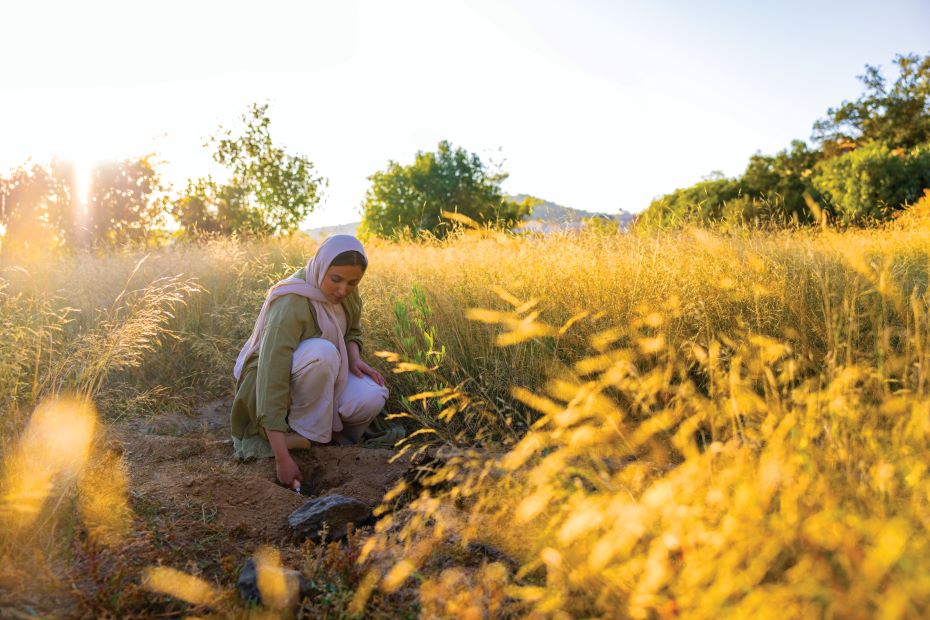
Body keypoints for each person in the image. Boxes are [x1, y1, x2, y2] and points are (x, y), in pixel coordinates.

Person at [229, 235, 388, 489]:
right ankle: (300, 435)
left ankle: (327, 435)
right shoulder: (292, 301)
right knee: (322, 352)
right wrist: (282, 458)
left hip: (326, 373)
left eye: (352, 282)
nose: (342, 290)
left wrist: (355, 358)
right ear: (322, 266)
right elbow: (272, 376)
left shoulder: (348, 294)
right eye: (335, 279)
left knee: (373, 395)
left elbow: (352, 331)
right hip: (276, 380)